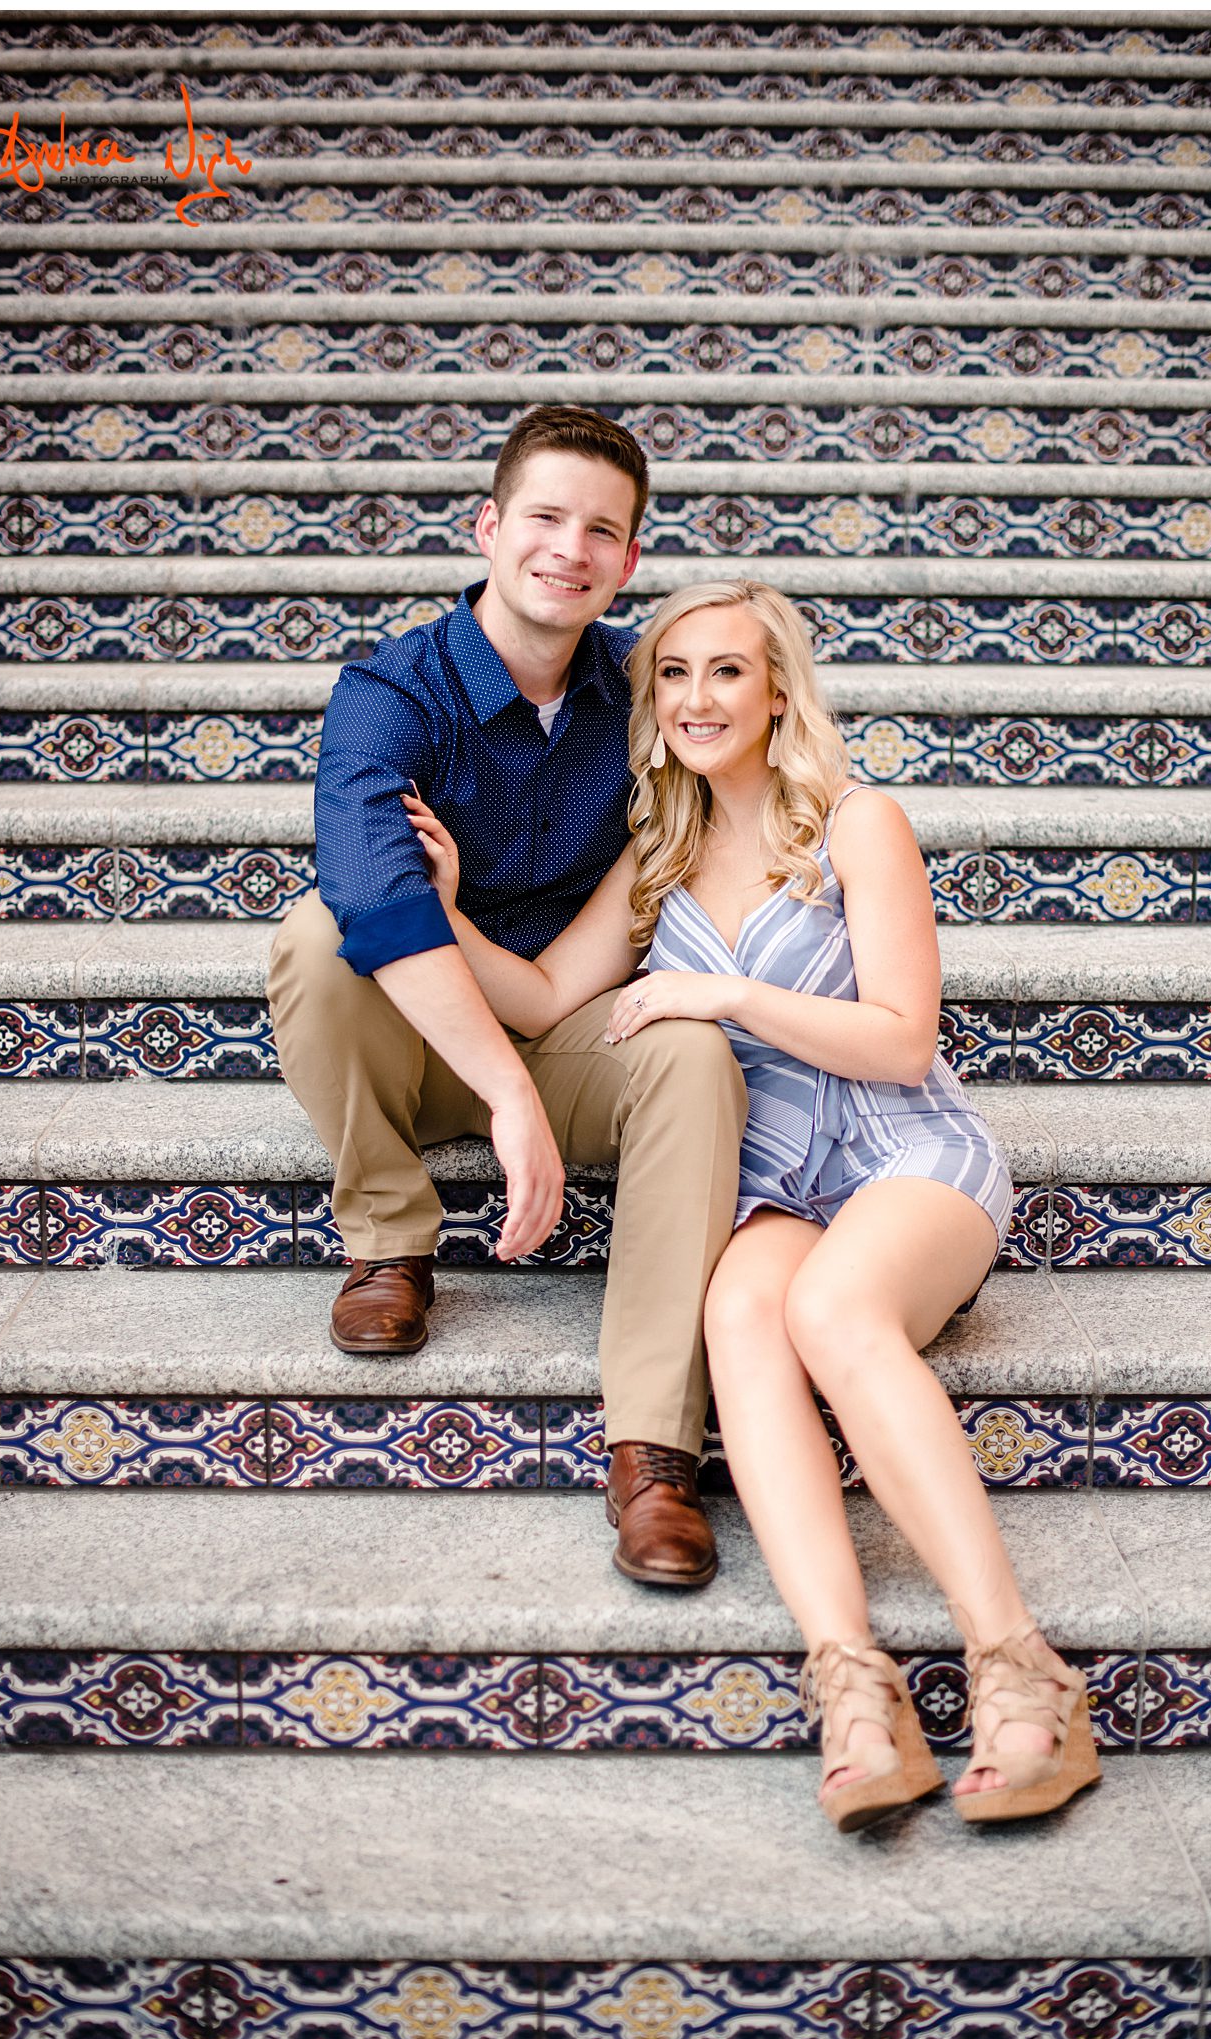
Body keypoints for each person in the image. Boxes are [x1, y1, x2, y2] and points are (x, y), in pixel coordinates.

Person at [402, 579, 1096, 1833]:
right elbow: (548, 991)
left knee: (832, 1307)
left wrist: (723, 1000)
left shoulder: (854, 822)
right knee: (738, 1319)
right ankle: (853, 1686)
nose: (695, 699)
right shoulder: (656, 855)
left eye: (726, 671)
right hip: (773, 1177)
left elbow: (900, 1038)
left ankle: (1016, 1664)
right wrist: (442, 912)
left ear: (779, 687)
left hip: (901, 1152)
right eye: (670, 674)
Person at [267, 405, 746, 1589]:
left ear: (630, 561)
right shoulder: (391, 692)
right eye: (544, 516)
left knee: (694, 1053)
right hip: (423, 1045)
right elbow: (378, 899)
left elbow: (562, 985)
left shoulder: (650, 689)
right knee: (320, 932)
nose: (568, 550)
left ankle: (653, 1449)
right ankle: (389, 1238)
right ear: (489, 527)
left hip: (567, 1017)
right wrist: (503, 1099)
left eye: (603, 531)